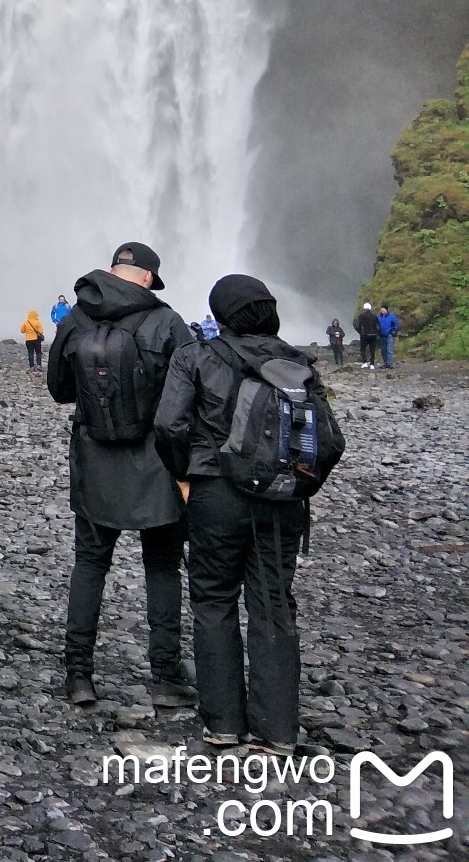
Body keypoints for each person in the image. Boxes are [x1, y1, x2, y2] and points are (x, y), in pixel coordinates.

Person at [155, 275, 313, 754]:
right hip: (281, 500)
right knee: (273, 603)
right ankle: (278, 731)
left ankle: (223, 724)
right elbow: (330, 440)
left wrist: (184, 475)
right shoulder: (298, 363)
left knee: (213, 601)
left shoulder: (196, 355)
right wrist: (298, 484)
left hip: (214, 492)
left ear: (219, 315)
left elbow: (168, 423)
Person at [46, 242, 194, 708]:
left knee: (90, 564)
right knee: (162, 566)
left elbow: (58, 389)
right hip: (157, 463)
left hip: (94, 460)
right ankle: (166, 677)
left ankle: (79, 675)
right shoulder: (167, 321)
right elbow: (191, 398)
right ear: (148, 277)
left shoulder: (74, 319)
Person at [353, 301, 381, 367]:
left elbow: (359, 326)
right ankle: (372, 364)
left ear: (364, 308)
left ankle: (364, 363)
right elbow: (378, 326)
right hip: (373, 335)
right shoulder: (374, 316)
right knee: (372, 351)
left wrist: (360, 333)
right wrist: (377, 333)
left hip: (365, 335)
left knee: (363, 349)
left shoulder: (361, 316)